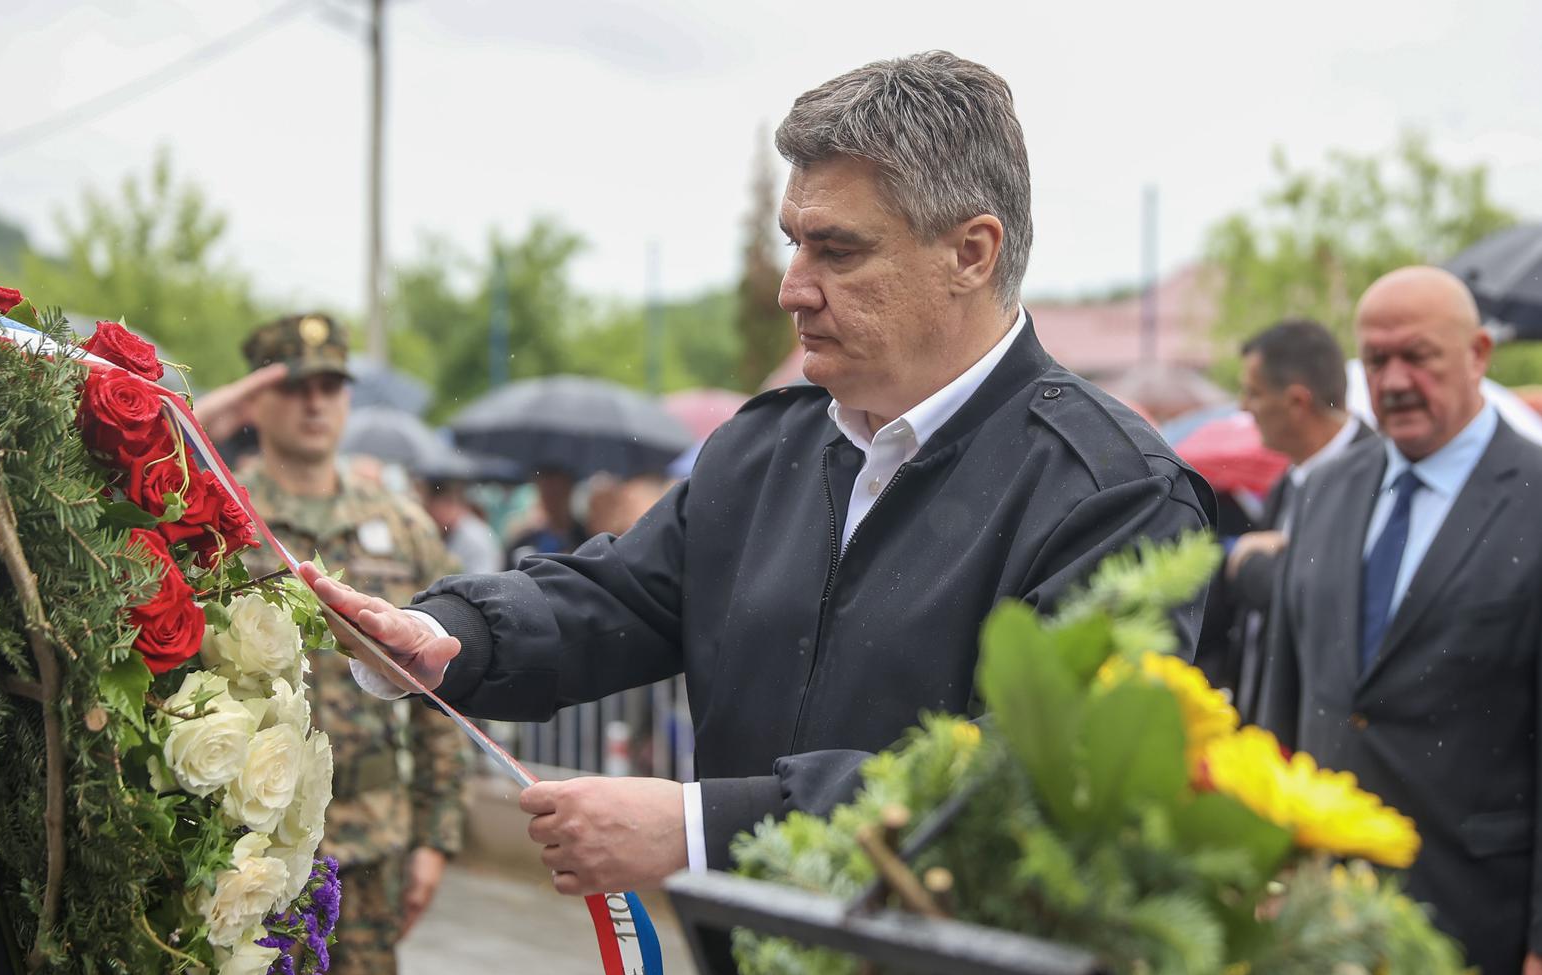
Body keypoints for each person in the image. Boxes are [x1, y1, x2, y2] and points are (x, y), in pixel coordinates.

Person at [306, 51, 1213, 896]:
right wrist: (444, 630)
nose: (793, 288)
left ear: (971, 253)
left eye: (839, 250)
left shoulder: (1114, 495)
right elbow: (621, 598)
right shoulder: (763, 448)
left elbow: (1034, 779)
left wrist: (706, 829)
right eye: (793, 242)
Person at [1258, 266, 1542, 975]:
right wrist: (1263, 860)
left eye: (1418, 356)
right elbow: (1284, 707)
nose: (1393, 381)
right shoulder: (1323, 492)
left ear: (1478, 353)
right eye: (1376, 360)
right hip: (1323, 923)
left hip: (1476, 923)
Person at [207, 313, 467, 975]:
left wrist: (435, 835)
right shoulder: (218, 516)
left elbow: (442, 692)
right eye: (295, 386)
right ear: (257, 400)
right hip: (240, 857)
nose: (316, 403)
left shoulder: (402, 526)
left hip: (367, 847)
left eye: (331, 386)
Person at [1210, 320, 1370, 722]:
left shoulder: (1379, 483)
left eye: (1254, 393)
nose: (1243, 407)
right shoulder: (1289, 481)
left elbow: (1328, 598)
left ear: (1298, 402)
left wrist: (1252, 562)